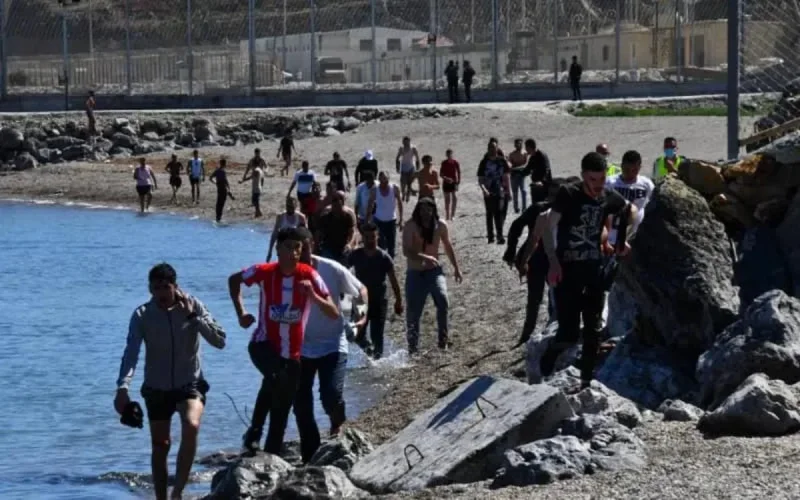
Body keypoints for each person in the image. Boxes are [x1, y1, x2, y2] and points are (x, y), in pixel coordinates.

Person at [115, 263, 226, 500]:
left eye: (166, 287)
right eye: (156, 288)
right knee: (161, 445)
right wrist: (123, 387)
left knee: (191, 425)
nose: (162, 293)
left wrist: (194, 318)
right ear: (150, 289)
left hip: (190, 383)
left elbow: (219, 340)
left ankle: (177, 493)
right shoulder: (142, 315)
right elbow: (131, 353)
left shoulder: (193, 306)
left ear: (176, 286)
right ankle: (161, 498)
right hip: (157, 387)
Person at [230, 226, 338, 454]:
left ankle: (268, 453)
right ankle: (256, 430)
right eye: (288, 247)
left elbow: (333, 312)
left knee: (281, 409)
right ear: (277, 248)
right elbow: (234, 280)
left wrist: (313, 295)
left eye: (297, 248)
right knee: (277, 375)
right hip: (263, 345)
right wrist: (241, 312)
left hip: (293, 355)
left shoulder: (309, 275)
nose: (293, 252)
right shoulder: (264, 271)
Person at [539, 152, 636, 389]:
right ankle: (544, 367)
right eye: (592, 180)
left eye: (602, 179)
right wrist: (553, 262)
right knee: (569, 334)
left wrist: (620, 239)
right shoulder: (568, 194)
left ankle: (585, 382)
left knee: (593, 330)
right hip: (567, 271)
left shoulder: (606, 195)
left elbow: (629, 211)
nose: (597, 185)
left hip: (593, 270)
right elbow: (547, 228)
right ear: (583, 176)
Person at [294, 234, 368, 462]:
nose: (301, 255)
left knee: (330, 395)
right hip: (302, 346)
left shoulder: (331, 269)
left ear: (312, 245)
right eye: (296, 250)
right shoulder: (287, 272)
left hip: (333, 342)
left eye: (304, 249)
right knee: (300, 403)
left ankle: (337, 421)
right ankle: (310, 451)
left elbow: (361, 290)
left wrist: (361, 315)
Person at [504, 177, 578, 347]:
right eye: (551, 194)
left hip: (553, 261)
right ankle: (528, 336)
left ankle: (548, 334)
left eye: (556, 194)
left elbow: (517, 227)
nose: (553, 199)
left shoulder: (566, 211)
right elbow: (518, 227)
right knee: (537, 300)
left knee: (551, 300)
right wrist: (513, 253)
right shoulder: (540, 209)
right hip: (539, 261)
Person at [402, 197, 463, 354]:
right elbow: (406, 251)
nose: (425, 213)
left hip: (434, 271)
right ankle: (413, 348)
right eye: (422, 210)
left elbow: (447, 246)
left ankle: (443, 340)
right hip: (415, 272)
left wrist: (456, 268)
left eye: (429, 210)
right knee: (414, 311)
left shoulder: (440, 225)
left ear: (433, 210)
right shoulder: (410, 226)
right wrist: (425, 257)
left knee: (442, 300)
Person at [349, 222, 404, 360]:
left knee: (377, 335)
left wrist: (398, 300)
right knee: (356, 334)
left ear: (377, 236)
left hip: (379, 300)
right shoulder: (356, 255)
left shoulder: (384, 257)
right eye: (367, 237)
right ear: (363, 237)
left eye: (372, 237)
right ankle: (371, 354)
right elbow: (343, 273)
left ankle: (377, 362)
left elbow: (393, 280)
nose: (370, 240)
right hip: (361, 300)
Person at [604, 150, 654, 284]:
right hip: (612, 237)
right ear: (621, 166)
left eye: (635, 170)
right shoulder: (611, 183)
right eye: (627, 169)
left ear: (640, 167)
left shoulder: (646, 184)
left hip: (634, 237)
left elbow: (654, 204)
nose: (631, 173)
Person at [478, 140, 511, 244]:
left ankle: (500, 236)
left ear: (497, 148)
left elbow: (506, 176)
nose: (492, 149)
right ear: (488, 149)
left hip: (500, 190)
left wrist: (508, 191)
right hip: (488, 191)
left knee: (499, 213)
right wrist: (484, 190)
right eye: (490, 147)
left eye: (494, 147)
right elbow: (480, 179)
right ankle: (490, 236)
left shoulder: (502, 161)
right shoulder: (484, 162)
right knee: (489, 213)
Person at [367, 171, 403, 258]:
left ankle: (390, 263)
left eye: (386, 181)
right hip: (378, 220)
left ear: (388, 180)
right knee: (380, 244)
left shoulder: (394, 188)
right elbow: (370, 204)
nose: (384, 184)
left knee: (391, 245)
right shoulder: (374, 189)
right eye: (382, 181)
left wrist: (401, 219)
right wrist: (367, 220)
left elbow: (400, 203)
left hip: (391, 220)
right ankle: (380, 263)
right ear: (379, 180)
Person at [316, 191, 357, 264]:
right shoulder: (325, 217)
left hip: (343, 248)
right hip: (328, 248)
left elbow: (352, 233)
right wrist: (316, 247)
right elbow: (318, 234)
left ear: (343, 202)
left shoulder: (348, 217)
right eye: (334, 200)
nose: (337, 202)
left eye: (340, 199)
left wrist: (349, 244)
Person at [267, 197, 308, 261]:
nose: (289, 208)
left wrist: (306, 252)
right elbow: (274, 234)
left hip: (295, 247)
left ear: (295, 206)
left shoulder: (301, 217)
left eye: (291, 207)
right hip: (283, 247)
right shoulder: (281, 217)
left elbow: (306, 236)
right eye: (288, 206)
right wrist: (270, 251)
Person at [524, 138, 552, 204]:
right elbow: (527, 169)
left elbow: (547, 170)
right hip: (535, 186)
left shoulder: (542, 155)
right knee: (535, 205)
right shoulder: (532, 158)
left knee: (543, 204)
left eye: (526, 148)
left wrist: (542, 181)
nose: (525, 150)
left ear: (530, 147)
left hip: (543, 186)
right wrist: (516, 172)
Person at [508, 138, 529, 213]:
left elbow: (526, 164)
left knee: (523, 191)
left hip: (521, 175)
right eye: (517, 144)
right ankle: (516, 208)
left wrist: (515, 168)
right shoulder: (512, 154)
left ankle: (524, 207)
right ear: (515, 145)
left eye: (520, 143)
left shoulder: (525, 153)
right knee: (515, 192)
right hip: (514, 175)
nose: (518, 145)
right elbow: (509, 165)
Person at [396, 137, 420, 203]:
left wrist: (418, 168)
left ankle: (408, 196)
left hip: (411, 168)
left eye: (407, 142)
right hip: (403, 168)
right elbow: (397, 158)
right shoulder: (401, 149)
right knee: (403, 184)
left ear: (409, 141)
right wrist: (397, 168)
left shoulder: (413, 148)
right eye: (404, 142)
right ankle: (403, 193)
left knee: (409, 183)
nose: (405, 143)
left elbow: (417, 158)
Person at [440, 149, 461, 221]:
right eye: (448, 154)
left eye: (450, 154)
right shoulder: (444, 163)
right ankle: (447, 215)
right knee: (447, 199)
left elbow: (458, 172)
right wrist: (446, 178)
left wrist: (458, 181)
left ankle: (453, 215)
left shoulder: (455, 162)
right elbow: (441, 174)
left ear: (452, 154)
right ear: (446, 155)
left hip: (454, 182)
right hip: (446, 182)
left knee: (454, 197)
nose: (449, 156)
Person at [209, 158, 232, 223]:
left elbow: (210, 178)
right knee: (221, 204)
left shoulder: (217, 171)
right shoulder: (223, 171)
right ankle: (219, 218)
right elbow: (225, 181)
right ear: (224, 164)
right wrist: (229, 189)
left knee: (218, 204)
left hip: (219, 189)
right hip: (224, 190)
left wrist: (215, 182)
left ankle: (217, 217)